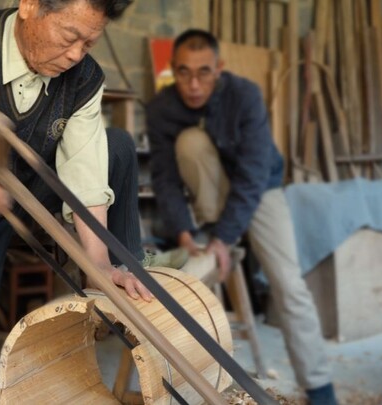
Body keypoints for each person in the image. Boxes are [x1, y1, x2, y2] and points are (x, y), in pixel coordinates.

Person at [0, 1, 177, 403]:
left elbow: (84, 171)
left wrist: (96, 264)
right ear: (29, 5)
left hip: (41, 191)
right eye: (70, 36)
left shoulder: (84, 79)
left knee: (117, 147)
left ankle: (121, 272)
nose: (77, 53)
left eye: (90, 42)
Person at [145, 29, 339, 405]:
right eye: (184, 73)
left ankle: (321, 389)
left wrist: (223, 239)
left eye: (204, 72)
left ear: (220, 69)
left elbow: (252, 177)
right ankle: (212, 230)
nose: (194, 84)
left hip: (260, 188)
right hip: (213, 198)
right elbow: (165, 179)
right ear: (172, 70)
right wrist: (184, 233)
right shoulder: (162, 109)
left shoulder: (245, 96)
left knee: (288, 283)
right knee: (190, 142)